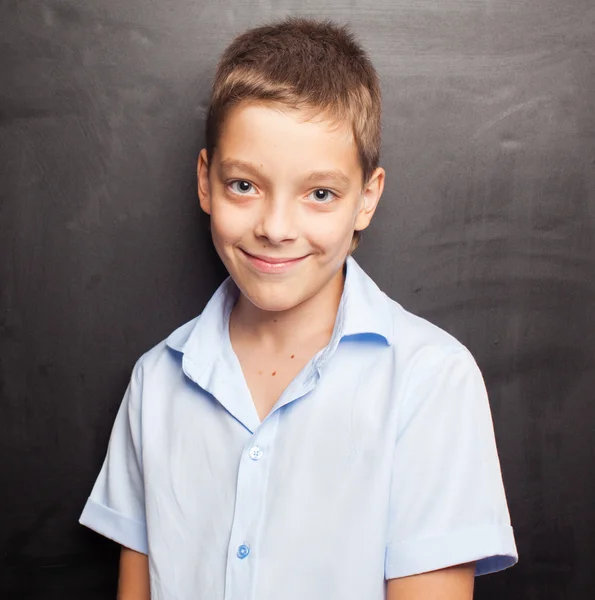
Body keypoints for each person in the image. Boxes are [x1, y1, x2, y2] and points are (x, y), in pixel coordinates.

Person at [79, 17, 518, 600]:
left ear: (367, 199)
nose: (276, 229)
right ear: (206, 182)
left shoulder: (430, 379)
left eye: (319, 194)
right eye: (244, 186)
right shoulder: (156, 382)